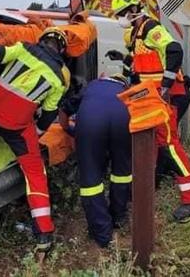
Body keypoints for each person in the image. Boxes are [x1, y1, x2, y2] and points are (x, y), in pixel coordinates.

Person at [111, 0, 190, 222]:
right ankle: (150, 184)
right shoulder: (134, 34)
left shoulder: (152, 28)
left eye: (122, 13)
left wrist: (165, 84)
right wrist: (123, 62)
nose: (120, 17)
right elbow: (141, 64)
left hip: (170, 96)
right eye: (118, 14)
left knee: (169, 145)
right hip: (152, 97)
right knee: (153, 142)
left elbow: (174, 50)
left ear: (134, 10)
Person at [0, 25, 70, 250]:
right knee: (36, 174)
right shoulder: (58, 81)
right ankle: (44, 234)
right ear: (61, 50)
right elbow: (48, 115)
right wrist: (37, 134)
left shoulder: (23, 48)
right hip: (16, 127)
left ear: (43, 40)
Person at [63, 74, 132, 248]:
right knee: (122, 172)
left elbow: (65, 110)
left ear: (104, 77)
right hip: (123, 119)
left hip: (91, 122)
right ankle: (118, 216)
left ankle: (102, 234)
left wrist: (71, 130)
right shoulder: (127, 91)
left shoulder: (92, 85)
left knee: (91, 177)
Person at [106, 27, 190, 124]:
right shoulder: (149, 53)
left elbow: (135, 78)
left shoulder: (151, 54)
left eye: (131, 47)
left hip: (175, 96)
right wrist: (122, 57)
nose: (132, 51)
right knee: (165, 130)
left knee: (168, 130)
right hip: (174, 94)